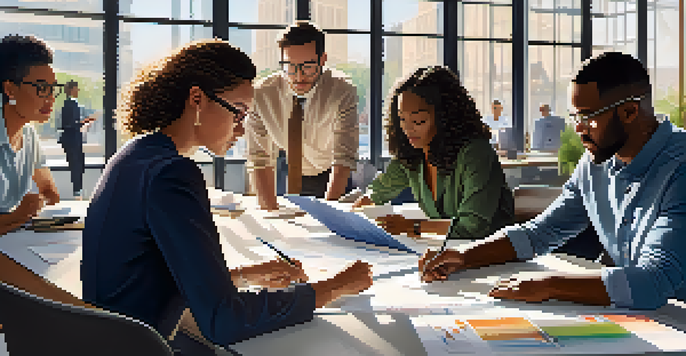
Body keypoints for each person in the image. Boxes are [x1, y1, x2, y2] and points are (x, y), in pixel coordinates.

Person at [82, 39, 373, 353]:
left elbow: (144, 278)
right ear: (197, 99)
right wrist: (331, 288)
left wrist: (243, 275)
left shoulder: (136, 153)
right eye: (238, 111)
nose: (241, 128)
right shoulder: (172, 173)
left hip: (113, 339)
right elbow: (224, 320)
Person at [420, 52, 686, 310]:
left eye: (588, 117)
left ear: (629, 112)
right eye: (575, 117)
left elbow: (653, 282)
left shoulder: (679, 169)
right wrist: (465, 256)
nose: (578, 129)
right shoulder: (594, 164)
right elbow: (541, 232)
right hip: (644, 320)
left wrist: (550, 286)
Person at [352, 66, 514, 239]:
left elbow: (473, 226)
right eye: (402, 119)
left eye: (418, 120)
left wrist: (413, 226)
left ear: (446, 118)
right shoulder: (413, 155)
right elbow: (378, 192)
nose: (407, 129)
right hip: (451, 253)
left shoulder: (475, 153)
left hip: (494, 256)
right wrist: (351, 214)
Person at [246, 21, 358, 208]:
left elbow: (343, 159)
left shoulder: (342, 91)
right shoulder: (262, 94)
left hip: (332, 176)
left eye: (308, 66)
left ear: (323, 60)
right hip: (285, 173)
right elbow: (260, 159)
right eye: (289, 66)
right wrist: (270, 211)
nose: (298, 76)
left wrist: (328, 214)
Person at [0, 35, 60, 233]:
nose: (51, 99)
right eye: (42, 88)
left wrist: (37, 204)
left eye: (53, 89)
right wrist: (19, 215)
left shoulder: (29, 134)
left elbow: (50, 192)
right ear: (10, 89)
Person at [59, 80, 96, 199]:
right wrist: (84, 122)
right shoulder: (70, 104)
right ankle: (77, 192)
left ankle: (78, 191)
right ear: (71, 90)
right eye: (76, 88)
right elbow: (69, 124)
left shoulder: (71, 104)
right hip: (72, 139)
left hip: (74, 139)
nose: (78, 91)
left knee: (78, 164)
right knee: (76, 165)